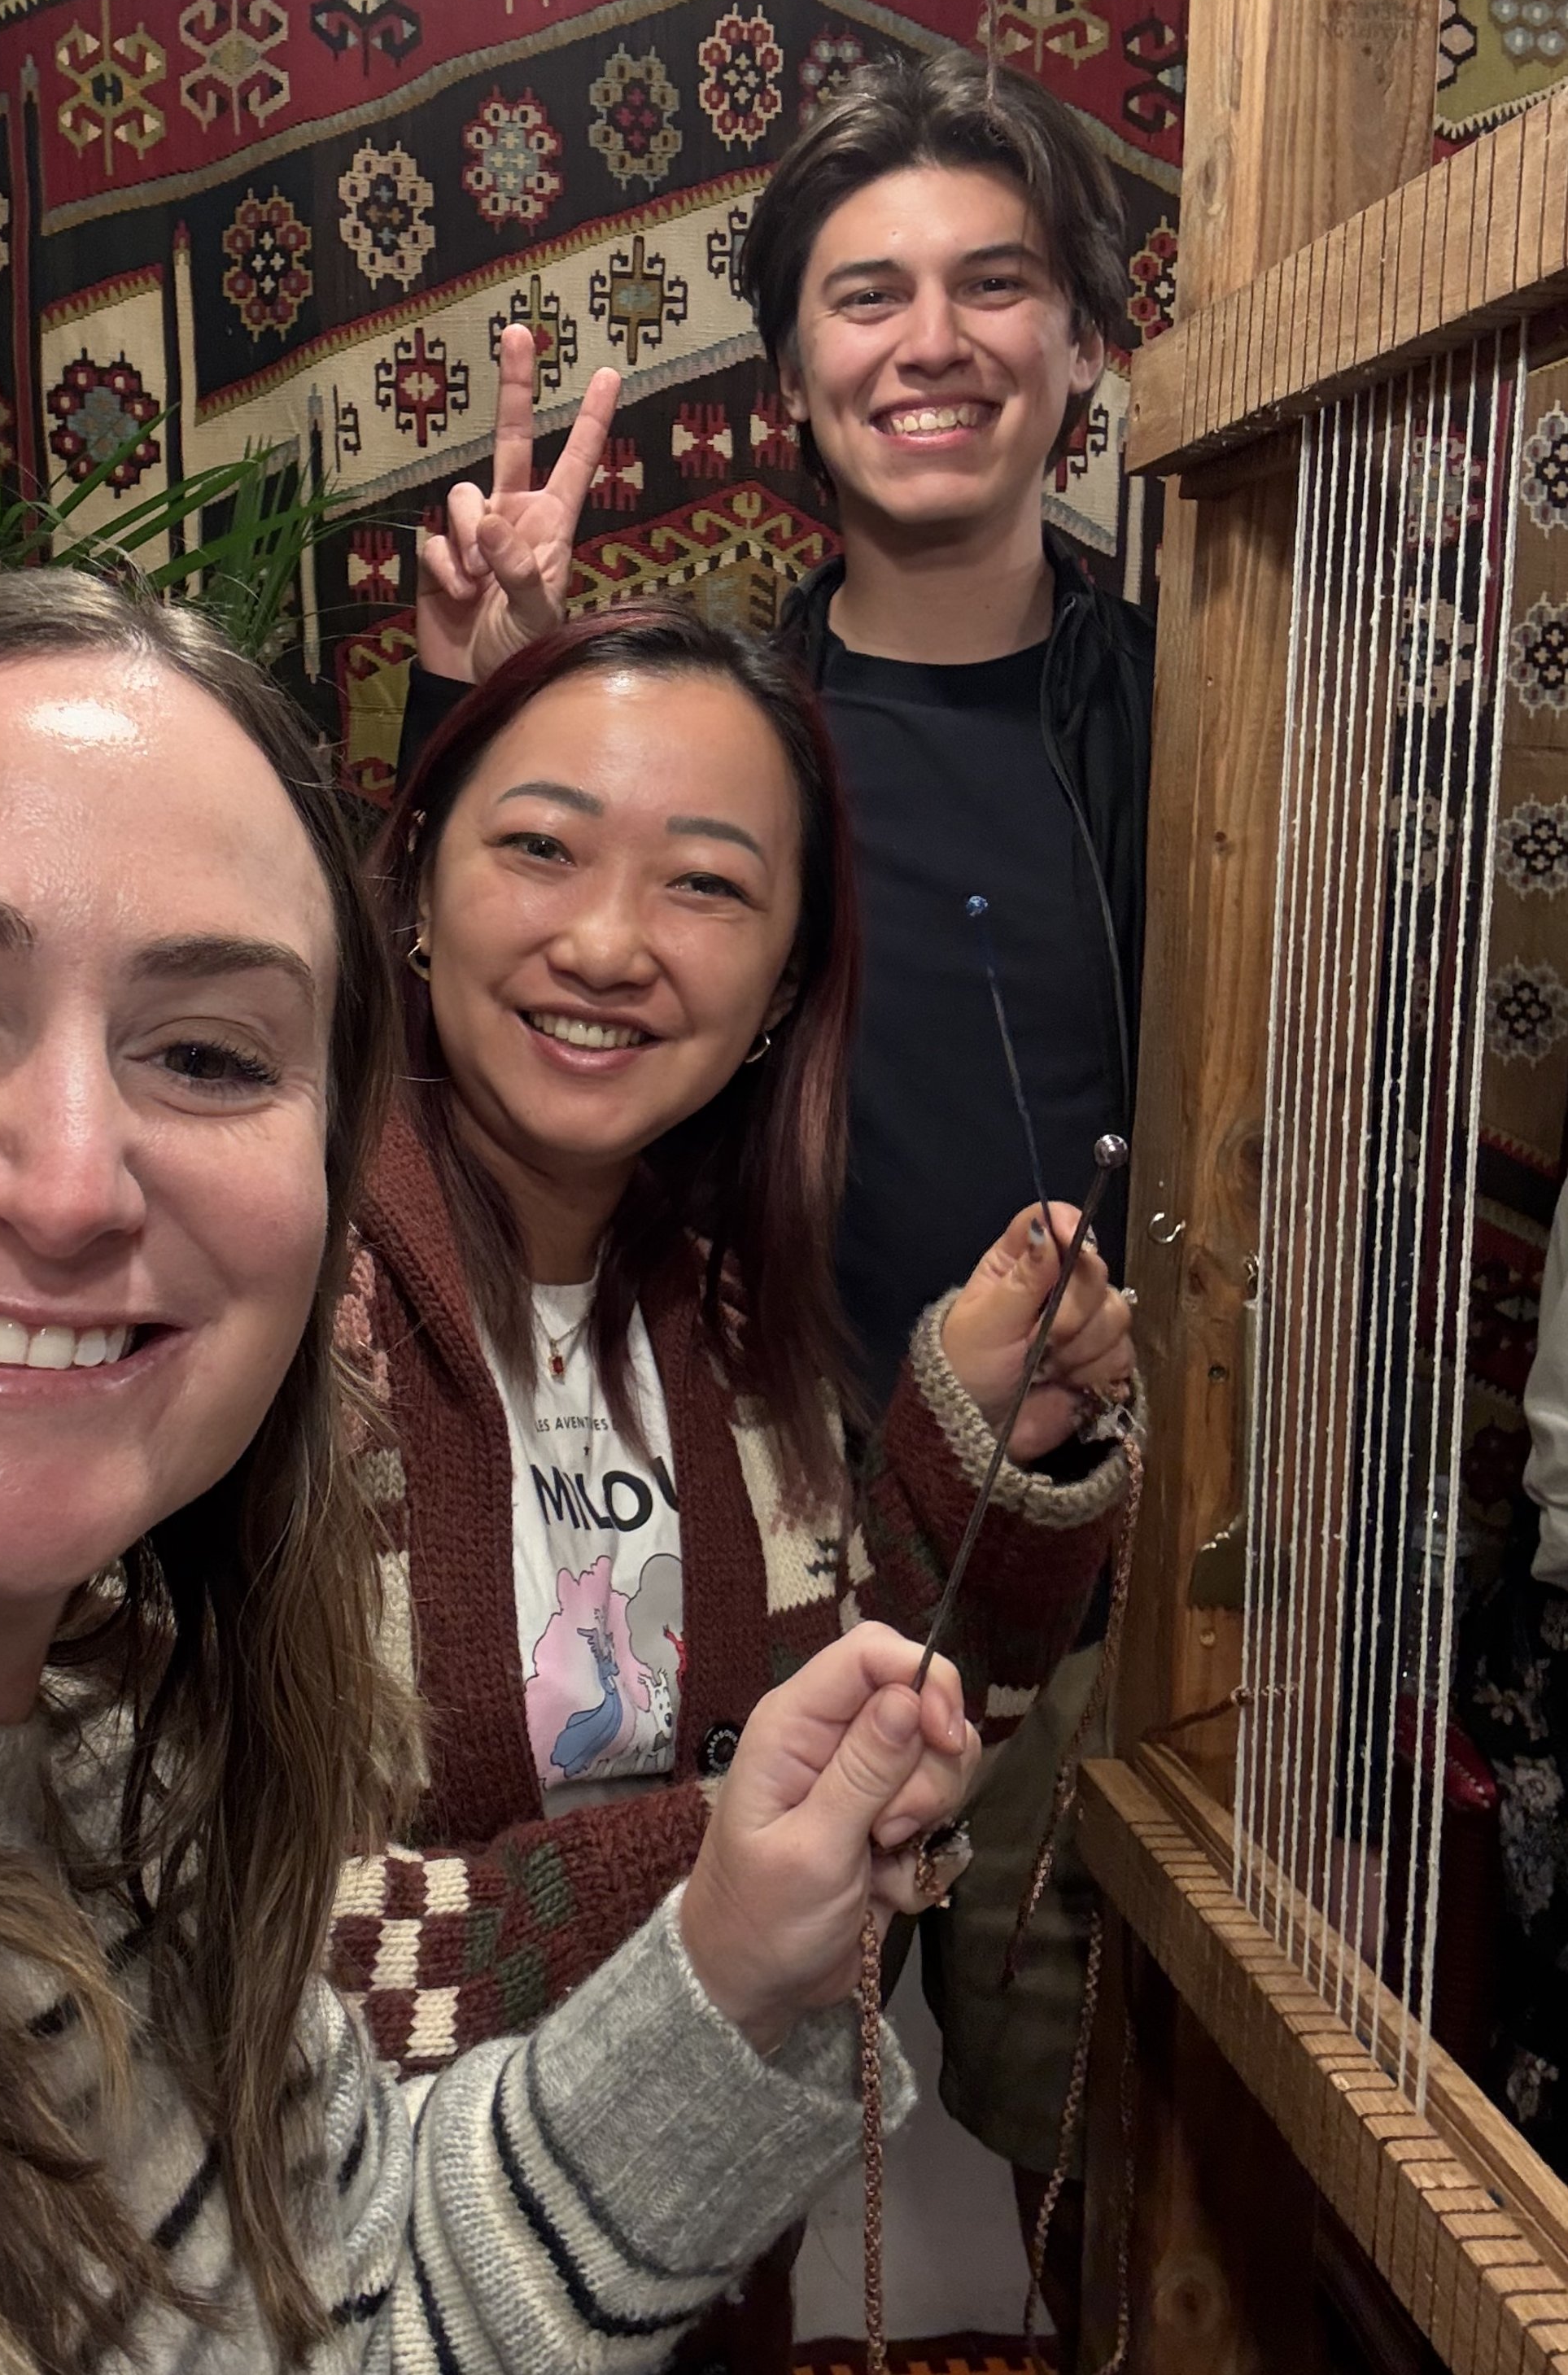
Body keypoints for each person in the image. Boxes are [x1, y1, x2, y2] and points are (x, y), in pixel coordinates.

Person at [0, 571, 983, 2372]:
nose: (68, 1184)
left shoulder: (96, 1772)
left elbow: (351, 2270)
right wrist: (693, 1875)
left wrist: (753, 1930)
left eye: (206, 1052)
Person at [404, 47, 1154, 2360]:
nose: (928, 338)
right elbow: (505, 1007)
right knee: (674, 2108)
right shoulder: (736, 740)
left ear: (1087, 347)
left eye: (991, 282)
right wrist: (486, 711)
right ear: (793, 377)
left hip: (1130, 1559)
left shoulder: (1225, 684)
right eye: (863, 295)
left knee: (1089, 2129)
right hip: (749, 1533)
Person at [329, 605, 1139, 2369]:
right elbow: (212, 1941)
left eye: (705, 885)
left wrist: (981, 1443)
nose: (608, 940)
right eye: (538, 847)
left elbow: (888, 1739)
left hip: (692, 2294)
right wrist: (716, 1887)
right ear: (410, 887)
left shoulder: (717, 1309)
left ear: (783, 987)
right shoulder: (256, 1305)